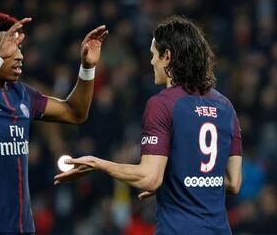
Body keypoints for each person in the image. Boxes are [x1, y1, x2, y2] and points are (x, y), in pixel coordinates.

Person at [54, 16, 243, 235]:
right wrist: (177, 183)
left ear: (168, 56)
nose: (152, 62)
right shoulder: (225, 106)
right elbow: (233, 181)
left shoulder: (162, 104)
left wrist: (98, 164)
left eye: (154, 55)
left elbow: (149, 178)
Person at [0, 12, 107, 233]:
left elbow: (75, 113)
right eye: (11, 48)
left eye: (20, 48)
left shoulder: (23, 95)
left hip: (22, 227)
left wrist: (87, 68)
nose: (20, 55)